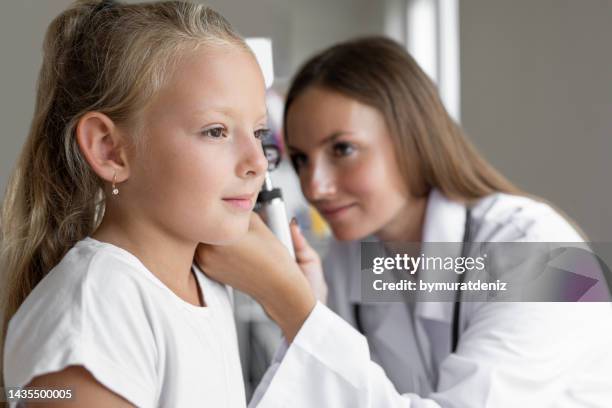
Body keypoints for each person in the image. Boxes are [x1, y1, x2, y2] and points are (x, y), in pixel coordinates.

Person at [197, 37, 612, 407]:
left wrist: (293, 305)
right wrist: (313, 309)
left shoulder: (552, 257)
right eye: (302, 159)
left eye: (342, 149)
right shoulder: (354, 258)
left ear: (413, 138)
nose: (315, 186)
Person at [0, 1, 293, 406]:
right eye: (215, 131)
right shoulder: (95, 316)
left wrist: (298, 302)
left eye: (258, 131)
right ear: (111, 151)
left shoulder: (203, 284)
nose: (258, 162)